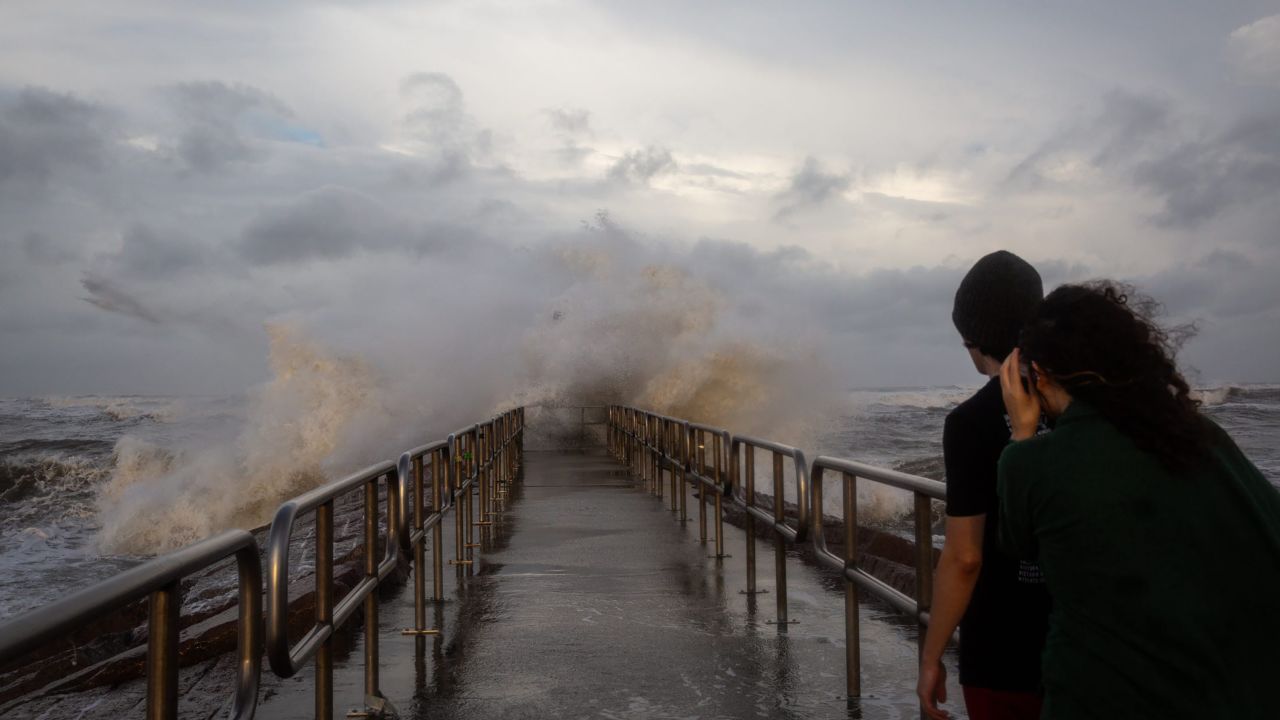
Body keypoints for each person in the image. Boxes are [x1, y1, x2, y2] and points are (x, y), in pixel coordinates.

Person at [998, 281, 1280, 718]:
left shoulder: (1030, 462)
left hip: (1097, 696)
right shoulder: (1204, 440)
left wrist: (1021, 432)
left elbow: (1017, 542)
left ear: (1037, 377)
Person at [919, 250, 1052, 720]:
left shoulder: (970, 422)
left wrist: (932, 656)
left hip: (1002, 652)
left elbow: (965, 557)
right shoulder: (1081, 404)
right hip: (1084, 646)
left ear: (973, 338)